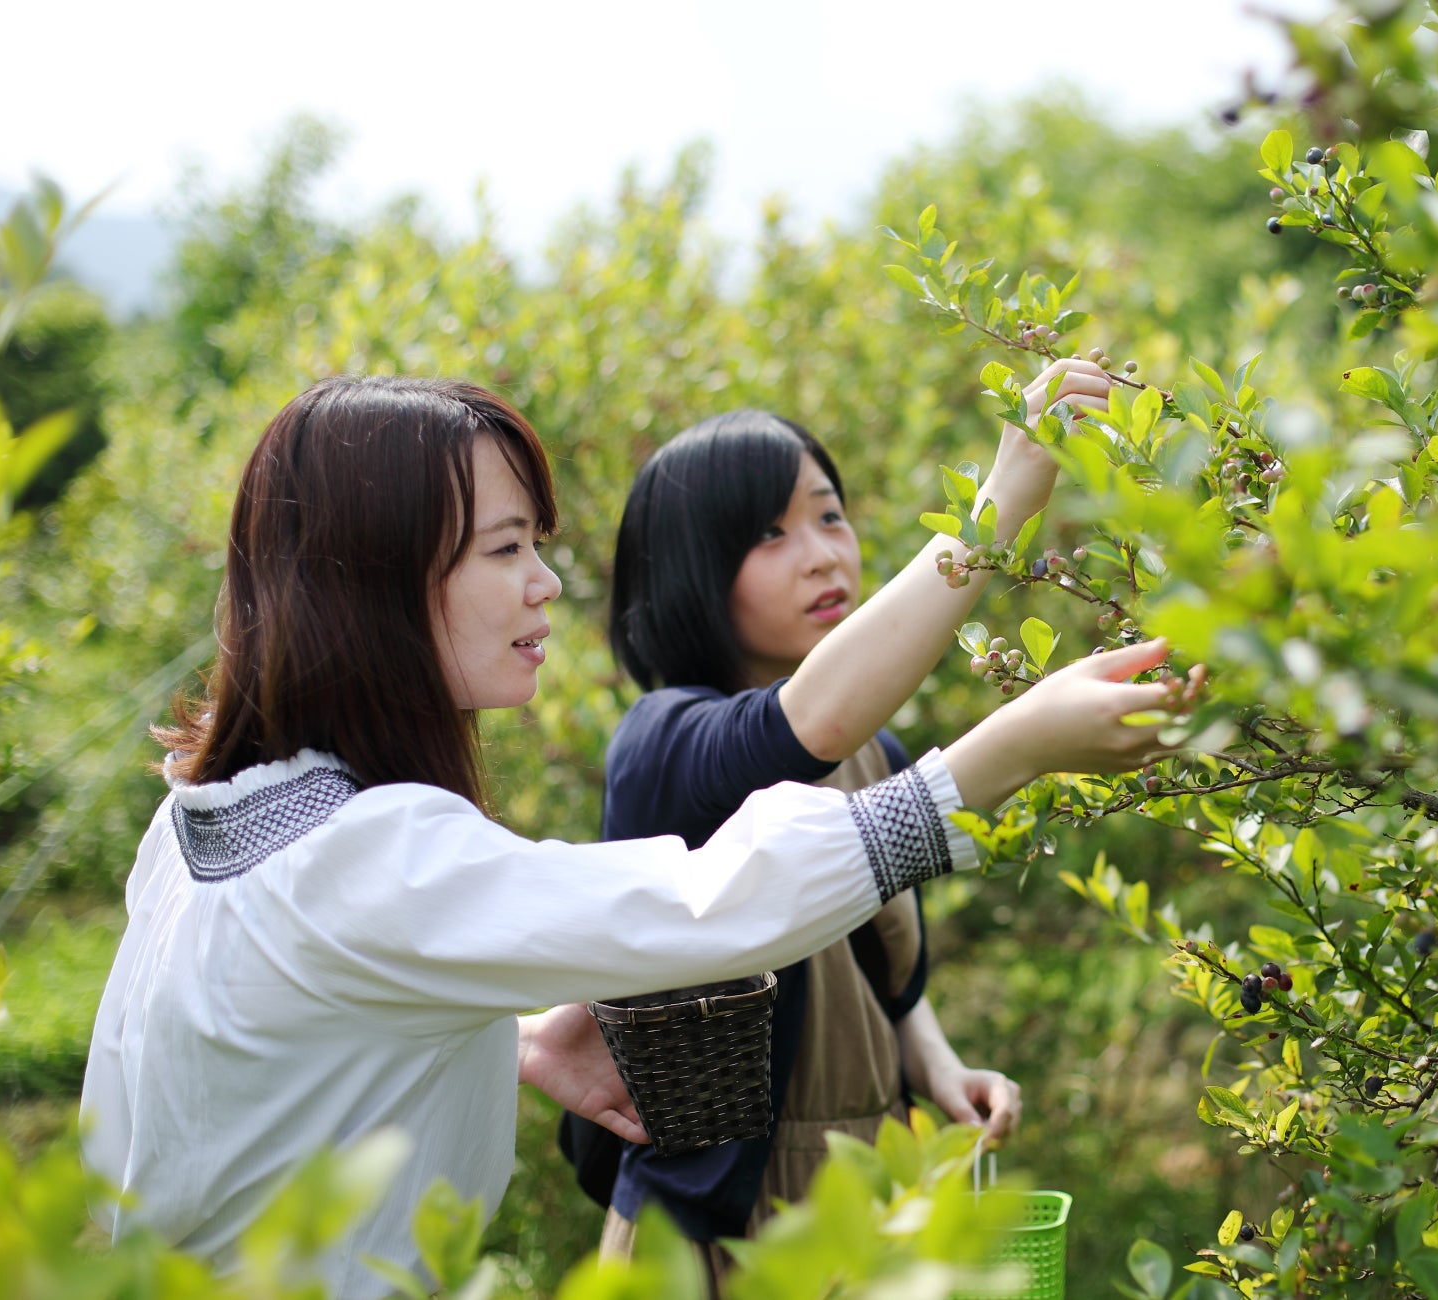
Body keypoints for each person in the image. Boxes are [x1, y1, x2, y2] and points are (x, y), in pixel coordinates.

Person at [78, 374, 1175, 1300]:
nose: (546, 582)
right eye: (506, 548)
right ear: (376, 587)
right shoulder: (369, 850)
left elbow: (257, 1048)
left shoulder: (203, 826)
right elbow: (717, 903)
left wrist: (504, 1032)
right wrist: (1004, 751)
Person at [562, 361, 1115, 1277]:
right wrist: (1001, 502)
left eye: (828, 514)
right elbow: (802, 723)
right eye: (768, 534)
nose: (823, 552)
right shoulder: (664, 747)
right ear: (693, 575)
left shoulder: (874, 754)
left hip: (867, 1209)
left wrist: (937, 1065)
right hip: (720, 1234)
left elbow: (879, 965)